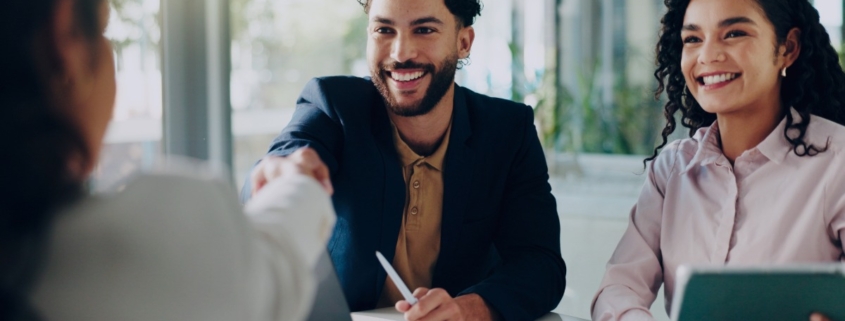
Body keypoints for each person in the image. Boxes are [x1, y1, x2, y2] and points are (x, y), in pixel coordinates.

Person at [0, 0, 335, 320]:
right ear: (66, 36)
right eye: (104, 30)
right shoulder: (139, 257)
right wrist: (298, 182)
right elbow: (273, 262)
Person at [245, 0, 567, 319]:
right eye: (384, 29)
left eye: (424, 30)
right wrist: (282, 170)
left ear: (463, 41)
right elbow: (291, 150)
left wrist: (467, 310)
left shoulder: (507, 132)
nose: (401, 54)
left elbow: (541, 265)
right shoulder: (334, 106)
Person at [591, 0, 845, 320]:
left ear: (787, 48)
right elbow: (618, 286)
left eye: (734, 33)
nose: (708, 56)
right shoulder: (671, 171)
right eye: (693, 39)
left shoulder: (837, 163)